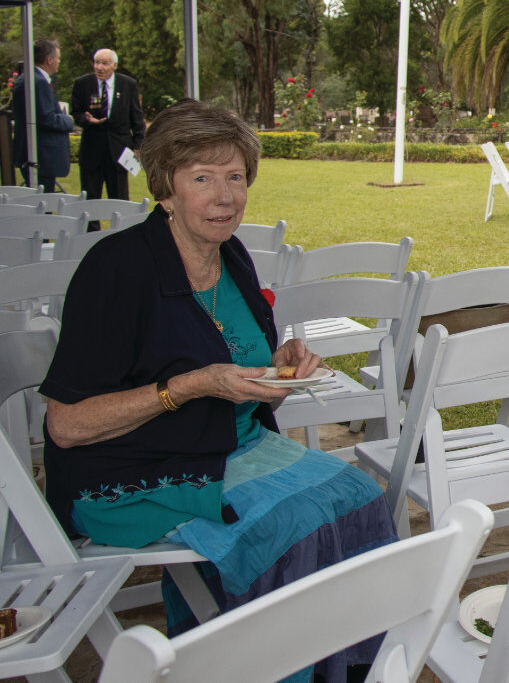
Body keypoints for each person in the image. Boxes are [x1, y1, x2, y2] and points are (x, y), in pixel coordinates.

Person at [40, 102, 396, 683]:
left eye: (235, 177)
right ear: (166, 190)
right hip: (134, 469)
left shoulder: (230, 255)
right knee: (293, 529)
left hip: (236, 444)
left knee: (363, 499)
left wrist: (282, 370)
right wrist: (187, 387)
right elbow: (66, 426)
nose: (224, 196)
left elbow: (251, 385)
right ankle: (265, 669)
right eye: (202, 178)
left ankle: (348, 670)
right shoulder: (116, 269)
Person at [70, 48, 145, 205]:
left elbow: (137, 118)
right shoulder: (82, 84)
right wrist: (85, 119)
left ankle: (121, 230)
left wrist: (138, 145)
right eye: (96, 62)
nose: (99, 67)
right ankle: (91, 230)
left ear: (114, 65)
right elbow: (75, 113)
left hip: (118, 151)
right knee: (90, 201)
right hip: (92, 150)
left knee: (119, 201)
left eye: (104, 63)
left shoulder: (128, 85)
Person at [9, 38, 73, 191]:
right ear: (49, 60)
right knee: (44, 205)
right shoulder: (37, 82)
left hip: (38, 155)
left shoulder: (30, 79)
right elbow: (46, 118)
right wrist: (68, 120)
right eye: (58, 58)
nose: (59, 61)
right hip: (41, 156)